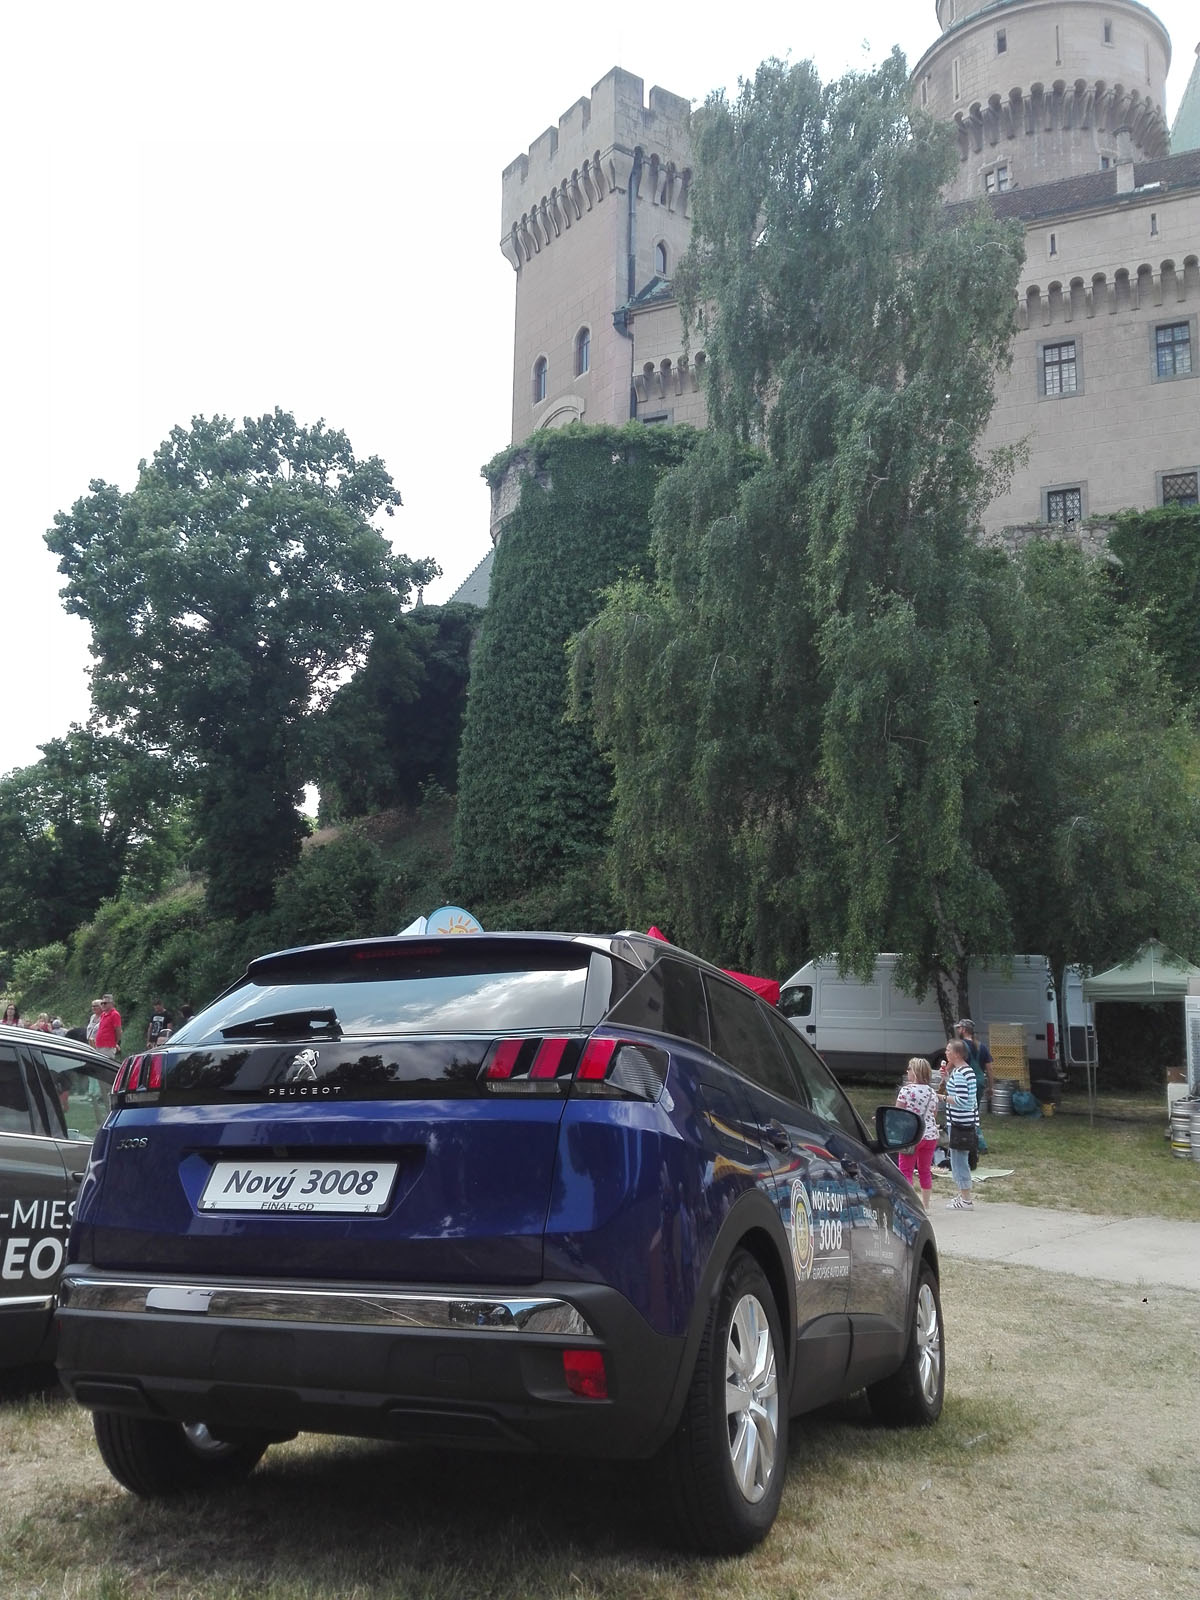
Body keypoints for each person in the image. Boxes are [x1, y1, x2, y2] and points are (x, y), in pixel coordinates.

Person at [895, 1057, 940, 1209]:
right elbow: (933, 1114)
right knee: (925, 1170)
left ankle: (909, 1205)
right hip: (930, 1135)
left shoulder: (906, 1091)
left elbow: (898, 1113)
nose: (906, 1071)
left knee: (906, 1170)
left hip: (911, 1136)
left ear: (914, 1072)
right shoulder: (932, 1093)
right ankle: (926, 1206)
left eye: (909, 1069)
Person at [941, 1037, 978, 1210]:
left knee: (959, 1160)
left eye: (948, 1050)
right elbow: (961, 1093)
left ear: (957, 1053)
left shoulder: (962, 1073)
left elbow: (962, 1100)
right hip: (962, 1122)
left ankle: (966, 1200)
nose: (946, 1052)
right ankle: (962, 1195)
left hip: (960, 1123)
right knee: (957, 1158)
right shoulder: (964, 1071)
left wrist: (941, 1098)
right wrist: (947, 1078)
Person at [956, 1018, 993, 1112]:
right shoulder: (982, 1047)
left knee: (962, 1110)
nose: (958, 1030)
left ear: (964, 1030)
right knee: (974, 1110)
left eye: (959, 1028)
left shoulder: (960, 1046)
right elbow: (989, 1069)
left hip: (964, 1082)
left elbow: (952, 1063)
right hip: (979, 1083)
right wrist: (990, 1087)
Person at [94, 993, 123, 1060]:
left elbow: (118, 1031)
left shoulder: (115, 1014)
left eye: (105, 1003)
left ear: (111, 1004)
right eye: (102, 1003)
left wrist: (115, 1042)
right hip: (99, 1045)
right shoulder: (103, 1014)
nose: (103, 1005)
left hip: (108, 1046)